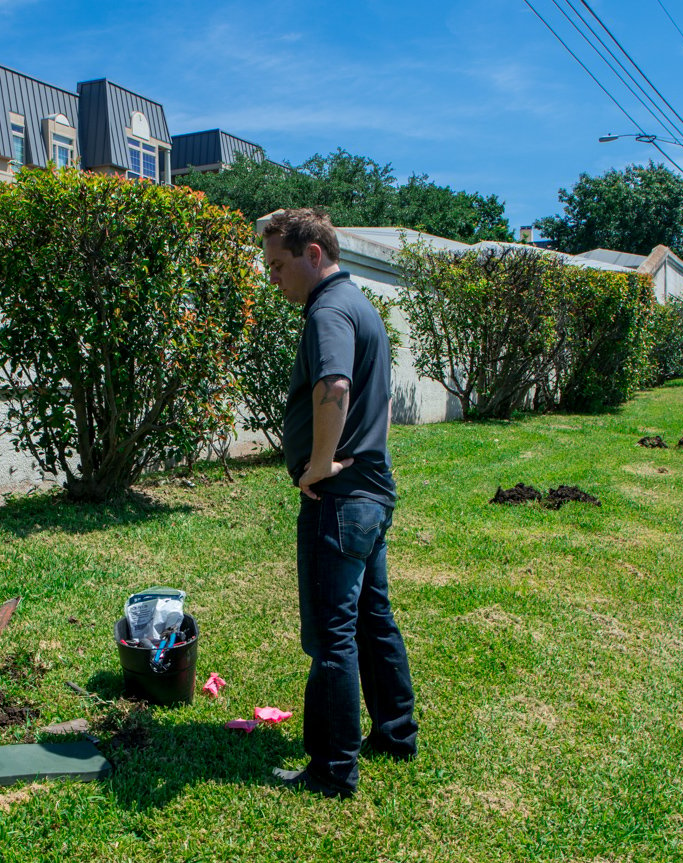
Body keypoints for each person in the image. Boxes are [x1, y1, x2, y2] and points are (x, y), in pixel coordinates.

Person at [262, 208, 417, 797]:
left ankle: (331, 768)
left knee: (334, 635)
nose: (273, 277)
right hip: (373, 494)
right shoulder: (358, 303)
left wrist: (321, 464)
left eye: (279, 265)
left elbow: (335, 386)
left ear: (315, 255)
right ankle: (396, 734)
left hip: (342, 498)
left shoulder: (327, 309)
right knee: (372, 619)